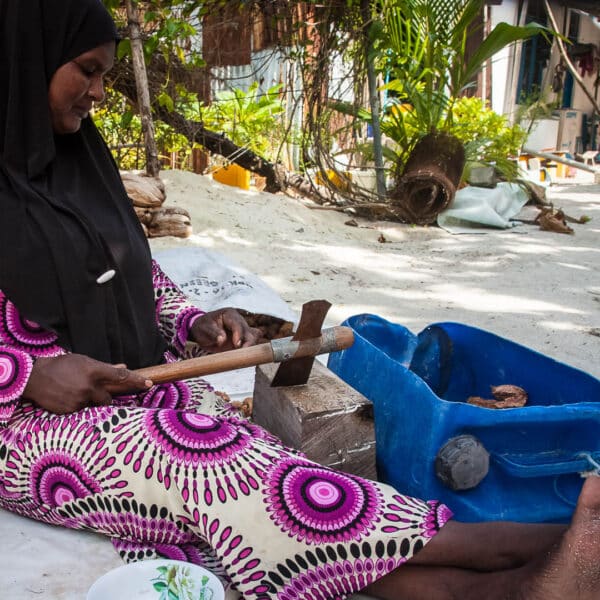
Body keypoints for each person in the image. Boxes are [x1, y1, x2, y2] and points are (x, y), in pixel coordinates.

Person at [0, 1, 599, 599]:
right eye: (86, 70)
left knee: (249, 474)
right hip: (24, 428)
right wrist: (28, 374)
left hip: (136, 383)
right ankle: (509, 549)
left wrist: (192, 318)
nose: (100, 91)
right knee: (208, 461)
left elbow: (125, 271)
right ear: (31, 61)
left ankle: (502, 587)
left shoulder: (80, 157)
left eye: (106, 74)